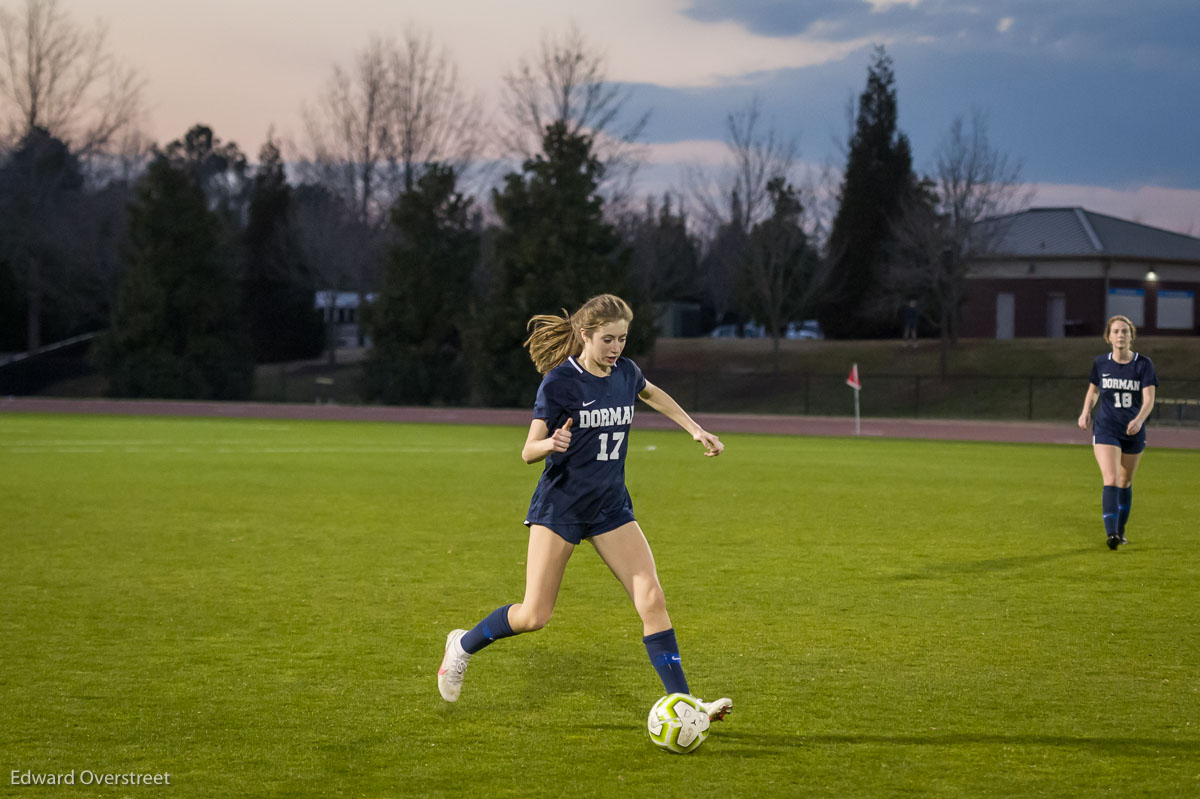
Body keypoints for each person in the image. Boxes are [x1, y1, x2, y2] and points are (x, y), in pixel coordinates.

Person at [437, 293, 732, 723]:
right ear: (584, 334)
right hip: (562, 507)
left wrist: (695, 429)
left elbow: (652, 394)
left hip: (611, 507)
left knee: (652, 598)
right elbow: (527, 451)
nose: (616, 348)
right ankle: (462, 645)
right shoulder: (560, 382)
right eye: (608, 339)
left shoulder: (626, 372)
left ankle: (686, 706)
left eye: (623, 339)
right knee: (534, 615)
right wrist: (549, 444)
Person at [1076, 314, 1157, 550]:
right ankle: (1111, 534)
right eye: (1116, 331)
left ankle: (1120, 531)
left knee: (1125, 481)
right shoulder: (1101, 363)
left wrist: (1140, 419)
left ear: (1131, 336)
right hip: (1106, 427)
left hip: (1133, 430)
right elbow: (1093, 391)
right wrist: (1085, 412)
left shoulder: (1143, 364)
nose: (1120, 335)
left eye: (1125, 331)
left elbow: (1149, 398)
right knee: (1110, 478)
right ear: (1108, 337)